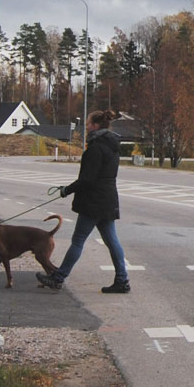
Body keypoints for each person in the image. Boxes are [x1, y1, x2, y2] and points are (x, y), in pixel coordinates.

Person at [36, 109, 130, 294]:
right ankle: (122, 280)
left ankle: (58, 277)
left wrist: (66, 190)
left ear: (95, 126)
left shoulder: (96, 148)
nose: (86, 127)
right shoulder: (111, 146)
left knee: (78, 240)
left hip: (94, 202)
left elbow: (87, 179)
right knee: (112, 242)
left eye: (88, 124)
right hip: (108, 200)